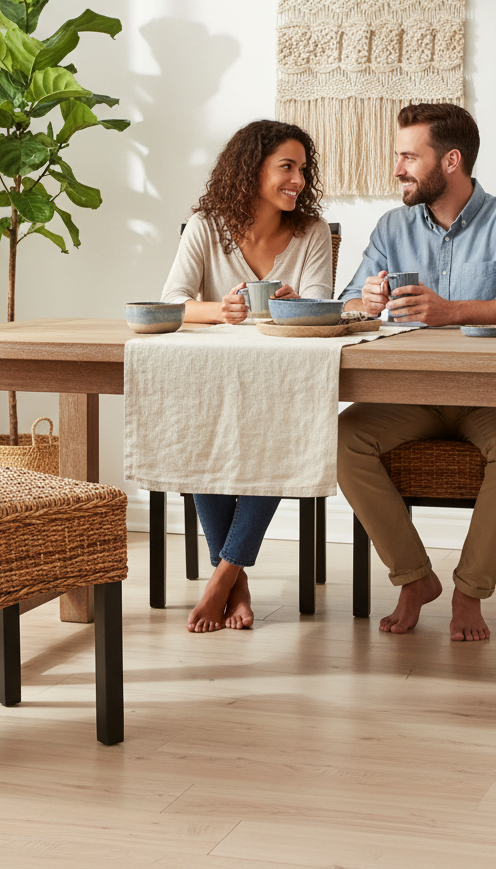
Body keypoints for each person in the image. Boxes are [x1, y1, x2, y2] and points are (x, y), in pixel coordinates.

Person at [338, 103, 496, 642]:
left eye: (409, 157)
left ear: (451, 160)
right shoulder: (393, 226)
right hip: (411, 396)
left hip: (494, 396)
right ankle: (414, 579)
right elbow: (347, 302)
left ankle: (469, 591)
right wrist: (365, 301)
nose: (397, 169)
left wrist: (451, 309)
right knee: (341, 438)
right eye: (398, 156)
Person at [161, 119, 333, 633]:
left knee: (280, 440)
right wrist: (220, 310)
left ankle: (221, 580)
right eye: (287, 167)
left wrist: (296, 305)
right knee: (198, 436)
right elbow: (170, 302)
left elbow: (323, 307)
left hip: (283, 388)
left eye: (303, 169)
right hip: (213, 383)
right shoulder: (205, 228)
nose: (298, 180)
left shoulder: (312, 232)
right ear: (251, 170)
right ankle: (235, 579)